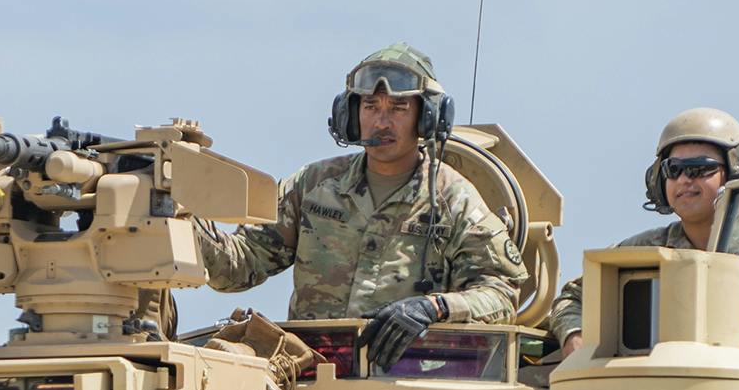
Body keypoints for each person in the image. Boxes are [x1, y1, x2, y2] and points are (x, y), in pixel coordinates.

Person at [201, 44, 531, 370]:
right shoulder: (315, 185)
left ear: (427, 117)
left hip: (406, 388)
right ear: (351, 114)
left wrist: (434, 307)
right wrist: (184, 222)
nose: (382, 122)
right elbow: (238, 266)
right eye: (371, 107)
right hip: (310, 382)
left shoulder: (455, 200)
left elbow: (501, 298)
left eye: (398, 108)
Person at [549, 107, 739, 353]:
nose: (684, 180)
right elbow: (573, 298)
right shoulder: (643, 252)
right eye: (673, 170)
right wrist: (573, 337)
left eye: (698, 169)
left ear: (736, 173)